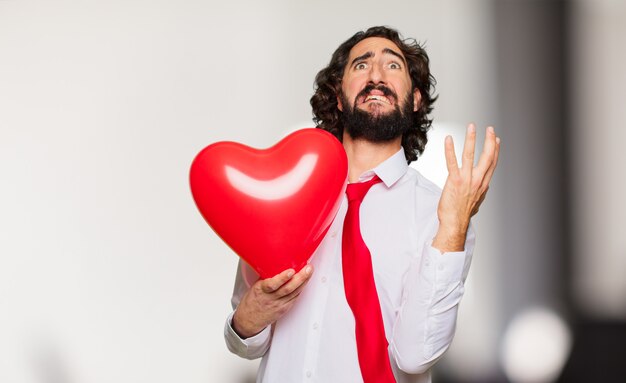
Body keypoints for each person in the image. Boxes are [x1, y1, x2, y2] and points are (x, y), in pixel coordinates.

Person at [223, 26, 500, 383]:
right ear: (338, 96)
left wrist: (453, 227)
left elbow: (416, 356)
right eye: (361, 66)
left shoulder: (442, 216)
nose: (376, 76)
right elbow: (246, 341)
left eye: (393, 66)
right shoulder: (287, 197)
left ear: (415, 100)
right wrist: (248, 318)